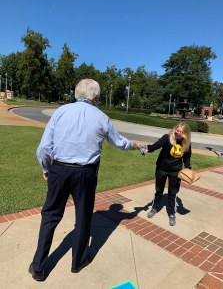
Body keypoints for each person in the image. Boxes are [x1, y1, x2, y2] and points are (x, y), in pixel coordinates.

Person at [29, 79, 139, 281]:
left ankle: (38, 266)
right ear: (95, 98)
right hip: (86, 174)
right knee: (83, 217)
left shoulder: (61, 112)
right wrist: (134, 145)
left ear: (76, 94)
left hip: (59, 170)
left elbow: (44, 147)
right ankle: (78, 261)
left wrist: (46, 168)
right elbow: (118, 142)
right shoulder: (102, 117)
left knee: (50, 216)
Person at [146, 122, 191, 226]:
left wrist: (188, 169)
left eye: (181, 132)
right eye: (177, 130)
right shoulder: (167, 138)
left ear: (185, 134)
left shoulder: (186, 143)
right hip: (162, 168)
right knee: (159, 190)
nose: (178, 133)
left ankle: (172, 214)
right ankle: (154, 208)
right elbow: (156, 145)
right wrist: (148, 148)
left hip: (175, 171)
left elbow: (187, 158)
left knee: (172, 193)